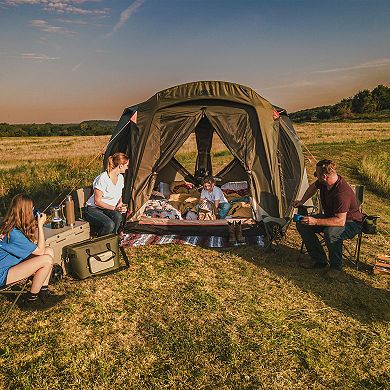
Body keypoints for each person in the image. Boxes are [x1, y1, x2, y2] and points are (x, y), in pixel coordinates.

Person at [293, 159, 363, 279]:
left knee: (331, 233)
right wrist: (302, 201)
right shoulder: (325, 182)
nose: (316, 177)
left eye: (316, 174)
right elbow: (313, 187)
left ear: (324, 176)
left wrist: (315, 221)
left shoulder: (342, 192)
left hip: (350, 222)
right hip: (332, 217)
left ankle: (336, 267)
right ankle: (319, 259)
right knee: (303, 223)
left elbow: (340, 221)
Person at [0, 194, 63, 310]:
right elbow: (39, 251)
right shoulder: (13, 233)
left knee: (49, 251)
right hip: (2, 274)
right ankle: (31, 302)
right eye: (32, 209)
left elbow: (38, 246)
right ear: (25, 212)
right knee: (46, 259)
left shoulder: (12, 225)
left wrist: (33, 227)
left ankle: (43, 294)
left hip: (11, 264)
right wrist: (40, 225)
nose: (34, 211)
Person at [85, 152, 129, 236]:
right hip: (93, 209)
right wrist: (114, 208)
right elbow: (97, 201)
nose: (127, 168)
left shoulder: (120, 177)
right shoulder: (103, 178)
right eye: (126, 165)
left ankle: (112, 239)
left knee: (118, 217)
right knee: (109, 224)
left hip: (107, 208)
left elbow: (119, 192)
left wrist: (120, 203)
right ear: (120, 165)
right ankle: (99, 240)